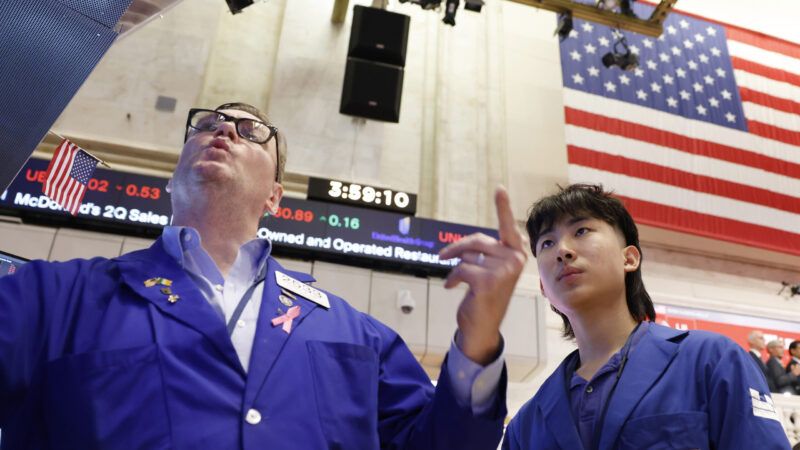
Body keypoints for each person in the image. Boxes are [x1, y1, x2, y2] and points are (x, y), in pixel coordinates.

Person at [0, 103, 529, 449]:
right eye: (205, 124)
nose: (222, 128)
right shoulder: (53, 298)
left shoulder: (356, 335)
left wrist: (478, 342)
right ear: (175, 175)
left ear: (274, 196)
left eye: (250, 130)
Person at [502, 184, 790, 450]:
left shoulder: (711, 361)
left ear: (629, 258)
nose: (562, 250)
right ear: (542, 285)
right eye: (547, 243)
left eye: (581, 231)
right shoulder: (525, 425)